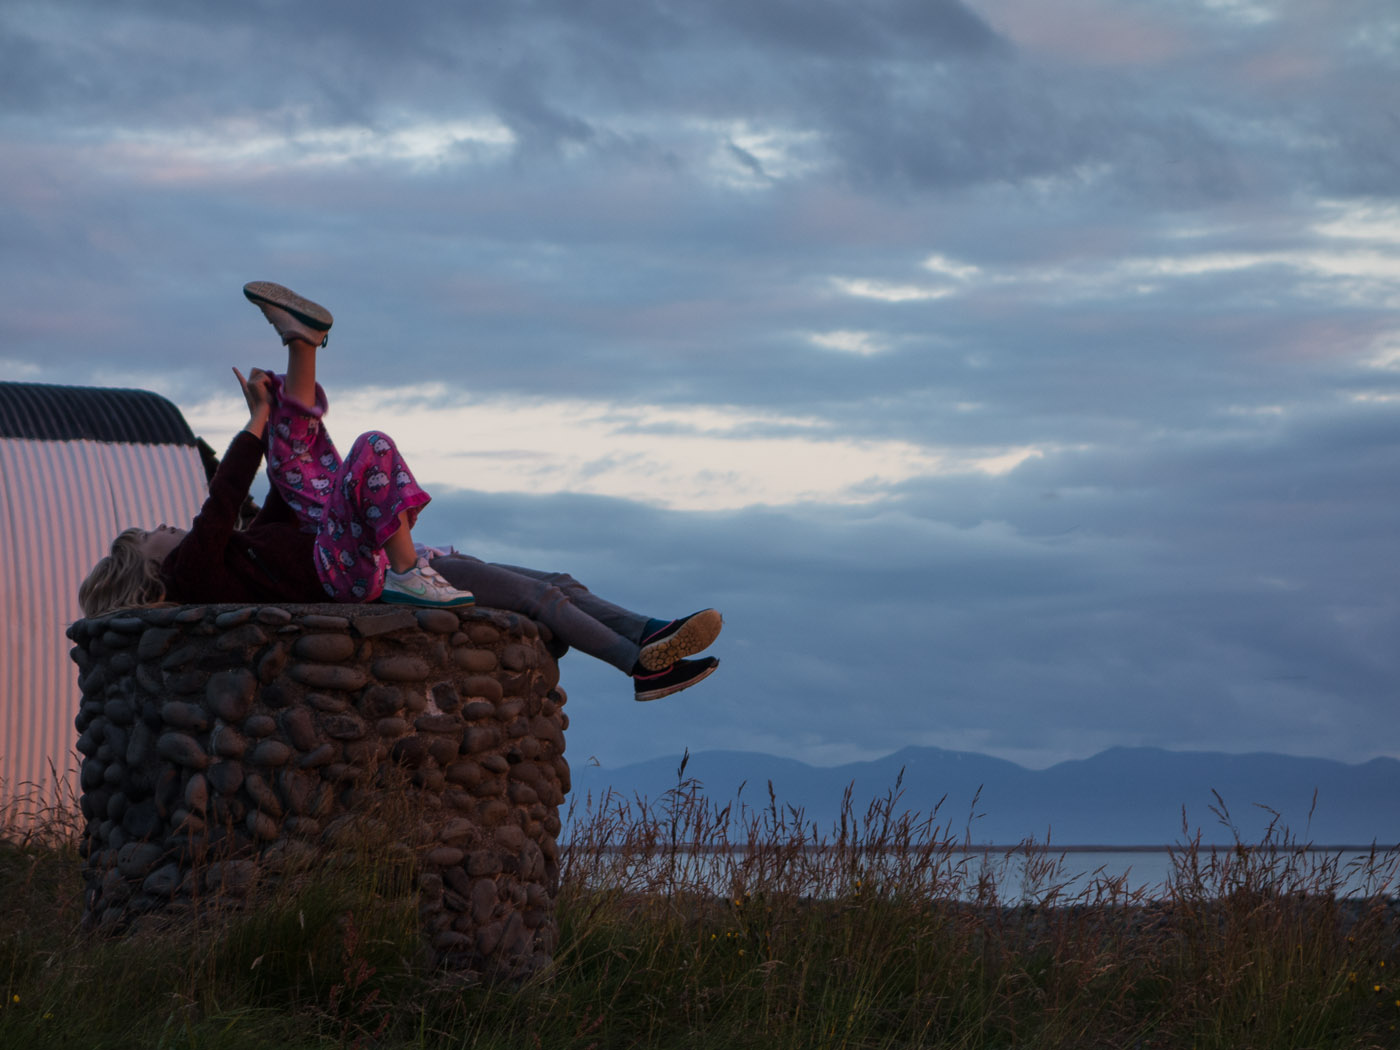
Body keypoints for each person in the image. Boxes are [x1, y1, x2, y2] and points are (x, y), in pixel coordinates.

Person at [79, 282, 722, 702]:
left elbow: (285, 475)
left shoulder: (249, 552)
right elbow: (220, 503)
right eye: (157, 533)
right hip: (367, 576)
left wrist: (270, 415)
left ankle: (651, 632)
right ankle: (640, 667)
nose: (169, 524)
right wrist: (249, 426)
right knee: (384, 460)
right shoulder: (198, 574)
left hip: (352, 557)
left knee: (557, 581)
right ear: (156, 573)